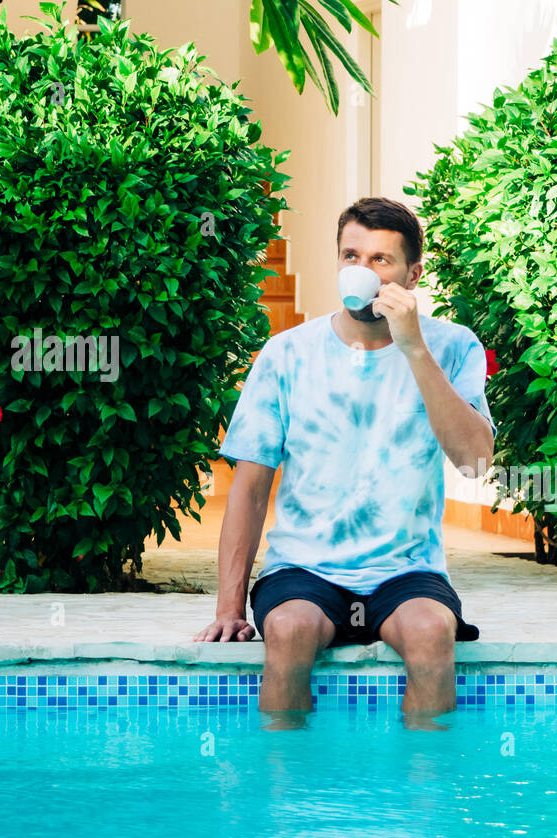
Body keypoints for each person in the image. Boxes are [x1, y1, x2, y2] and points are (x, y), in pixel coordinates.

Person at [193, 197, 496, 722]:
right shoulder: (287, 354)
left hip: (406, 569)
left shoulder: (452, 347)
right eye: (351, 256)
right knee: (287, 633)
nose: (362, 271)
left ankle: (426, 797)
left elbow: (474, 462)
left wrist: (415, 349)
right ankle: (283, 792)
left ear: (412, 274)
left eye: (380, 260)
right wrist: (228, 609)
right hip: (305, 568)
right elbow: (249, 488)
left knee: (431, 634)